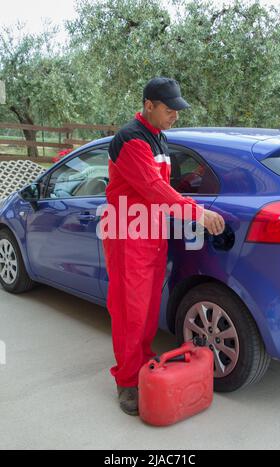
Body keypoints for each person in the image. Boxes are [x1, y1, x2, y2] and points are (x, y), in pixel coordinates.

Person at [102, 77, 225, 415]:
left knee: (145, 312)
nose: (175, 116)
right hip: (128, 236)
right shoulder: (130, 140)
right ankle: (126, 381)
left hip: (152, 235)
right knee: (129, 313)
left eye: (177, 110)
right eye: (169, 110)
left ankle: (141, 365)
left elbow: (165, 188)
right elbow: (155, 188)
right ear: (149, 106)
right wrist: (196, 212)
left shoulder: (159, 138)